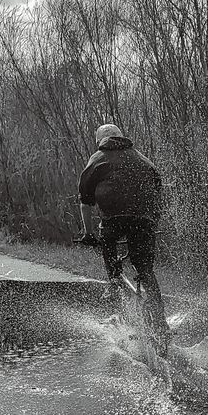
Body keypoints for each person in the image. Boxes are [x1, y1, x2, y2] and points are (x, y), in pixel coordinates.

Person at [74, 123, 170, 352]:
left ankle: (115, 280)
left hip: (113, 219)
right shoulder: (142, 159)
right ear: (121, 137)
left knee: (111, 254)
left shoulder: (98, 158)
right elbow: (158, 186)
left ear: (100, 141)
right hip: (144, 218)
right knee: (145, 269)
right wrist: (151, 219)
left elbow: (85, 202)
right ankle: (160, 323)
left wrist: (88, 234)